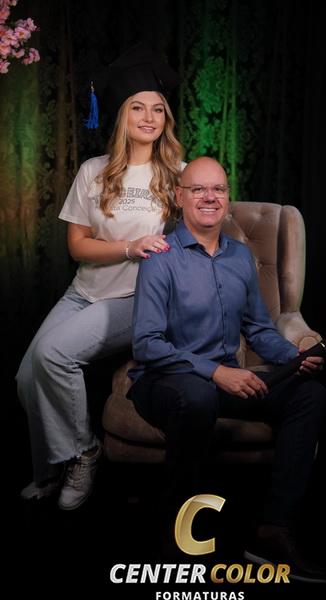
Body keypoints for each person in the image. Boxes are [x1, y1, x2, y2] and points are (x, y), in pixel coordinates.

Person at [128, 156, 326, 582]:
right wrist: (216, 372)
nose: (210, 197)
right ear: (180, 197)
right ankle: (179, 533)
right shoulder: (161, 257)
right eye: (198, 189)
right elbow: (147, 344)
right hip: (164, 382)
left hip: (223, 381)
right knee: (198, 395)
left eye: (218, 189)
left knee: (308, 394)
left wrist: (292, 356)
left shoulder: (240, 257)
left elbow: (258, 329)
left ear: (227, 197)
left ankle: (273, 530)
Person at [16, 42, 185, 511]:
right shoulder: (94, 171)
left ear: (166, 118)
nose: (149, 117)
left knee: (53, 354)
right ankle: (49, 470)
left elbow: (201, 238)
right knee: (26, 378)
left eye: (157, 109)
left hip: (136, 299)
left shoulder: (178, 175)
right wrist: (130, 247)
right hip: (84, 292)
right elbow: (78, 246)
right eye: (138, 108)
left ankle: (83, 452)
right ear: (122, 116)